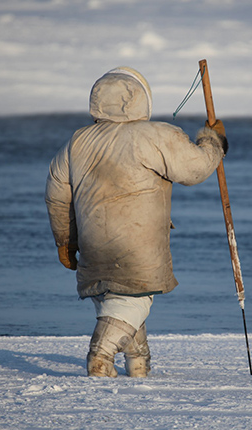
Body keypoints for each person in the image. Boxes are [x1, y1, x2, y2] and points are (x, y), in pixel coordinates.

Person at [45, 67, 228, 377]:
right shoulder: (154, 135)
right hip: (137, 244)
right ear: (142, 100)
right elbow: (195, 168)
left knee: (118, 298)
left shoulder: (77, 142)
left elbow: (57, 194)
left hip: (93, 244)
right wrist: (213, 141)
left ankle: (138, 366)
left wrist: (66, 241)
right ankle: (100, 356)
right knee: (134, 300)